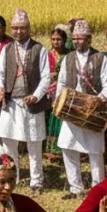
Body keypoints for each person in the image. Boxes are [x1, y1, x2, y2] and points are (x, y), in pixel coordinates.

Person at [0, 8, 51, 194]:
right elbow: (0, 72)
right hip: (10, 103)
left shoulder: (39, 49)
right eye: (15, 28)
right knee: (9, 142)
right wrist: (0, 88)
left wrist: (36, 95)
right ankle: (13, 177)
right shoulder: (7, 49)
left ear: (29, 28)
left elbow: (46, 77)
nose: (18, 32)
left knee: (33, 143)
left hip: (31, 104)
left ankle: (37, 181)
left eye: (22, 28)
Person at [56, 20, 107, 198]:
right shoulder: (68, 58)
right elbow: (62, 82)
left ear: (89, 39)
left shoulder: (100, 58)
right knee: (67, 146)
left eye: (80, 39)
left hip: (92, 109)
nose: (77, 42)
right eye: (74, 39)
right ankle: (75, 187)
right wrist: (60, 100)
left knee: (95, 150)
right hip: (72, 109)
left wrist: (99, 100)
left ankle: (98, 187)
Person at [44, 27, 68, 160]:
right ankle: (49, 149)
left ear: (64, 40)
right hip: (48, 89)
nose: (55, 42)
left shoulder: (68, 56)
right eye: (53, 39)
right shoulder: (47, 55)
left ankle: (60, 149)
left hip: (62, 91)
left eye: (58, 39)